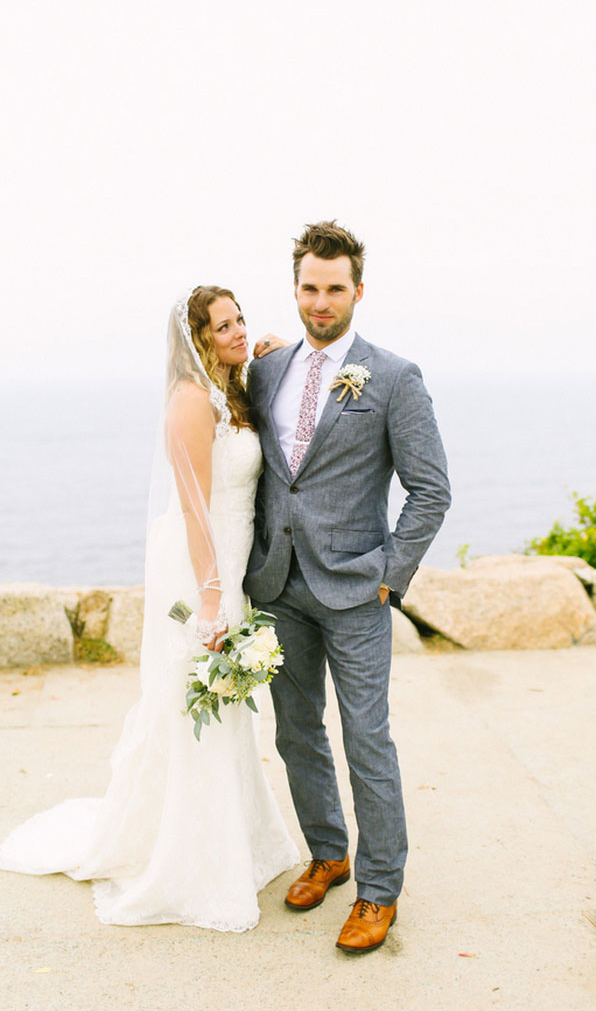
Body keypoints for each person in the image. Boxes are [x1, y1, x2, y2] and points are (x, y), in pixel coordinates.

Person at [0, 286, 299, 932]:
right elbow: (193, 510)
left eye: (241, 318)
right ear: (197, 339)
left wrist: (270, 349)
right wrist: (212, 599)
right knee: (195, 704)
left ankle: (235, 843)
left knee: (225, 712)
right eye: (225, 326)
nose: (239, 330)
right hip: (198, 571)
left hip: (231, 564)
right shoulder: (191, 401)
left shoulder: (229, 389)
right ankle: (189, 863)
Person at [245, 220, 451, 953]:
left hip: (358, 590)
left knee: (368, 739)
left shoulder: (394, 377)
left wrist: (389, 579)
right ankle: (327, 853)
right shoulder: (265, 369)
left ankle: (378, 890)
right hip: (277, 586)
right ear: (295, 289)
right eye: (310, 287)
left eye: (336, 289)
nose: (322, 301)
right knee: (296, 731)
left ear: (358, 290)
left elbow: (430, 492)